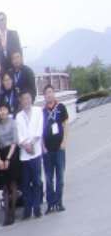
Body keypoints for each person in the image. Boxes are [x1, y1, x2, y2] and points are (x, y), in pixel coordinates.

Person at [14, 91, 45, 220]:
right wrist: (25, 146)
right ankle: (27, 209)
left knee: (37, 181)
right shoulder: (18, 116)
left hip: (36, 151)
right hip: (24, 154)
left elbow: (39, 129)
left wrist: (32, 144)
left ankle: (37, 208)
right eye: (23, 99)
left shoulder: (38, 111)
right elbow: (18, 135)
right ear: (21, 101)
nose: (26, 101)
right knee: (26, 183)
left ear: (31, 99)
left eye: (28, 98)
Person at [41, 85, 69, 213]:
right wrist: (43, 146)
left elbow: (65, 125)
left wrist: (64, 141)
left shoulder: (61, 108)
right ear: (44, 96)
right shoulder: (42, 112)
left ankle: (59, 202)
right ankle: (50, 203)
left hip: (59, 148)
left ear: (54, 94)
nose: (49, 95)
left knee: (60, 177)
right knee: (48, 177)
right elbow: (40, 131)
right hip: (47, 149)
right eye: (46, 93)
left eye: (51, 92)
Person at [0, 103, 19, 226]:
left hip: (12, 154)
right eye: (0, 110)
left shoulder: (12, 123)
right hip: (1, 154)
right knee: (4, 186)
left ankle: (13, 212)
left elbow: (14, 141)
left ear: (7, 110)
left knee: (12, 184)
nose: (2, 112)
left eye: (4, 110)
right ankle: (6, 214)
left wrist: (8, 158)